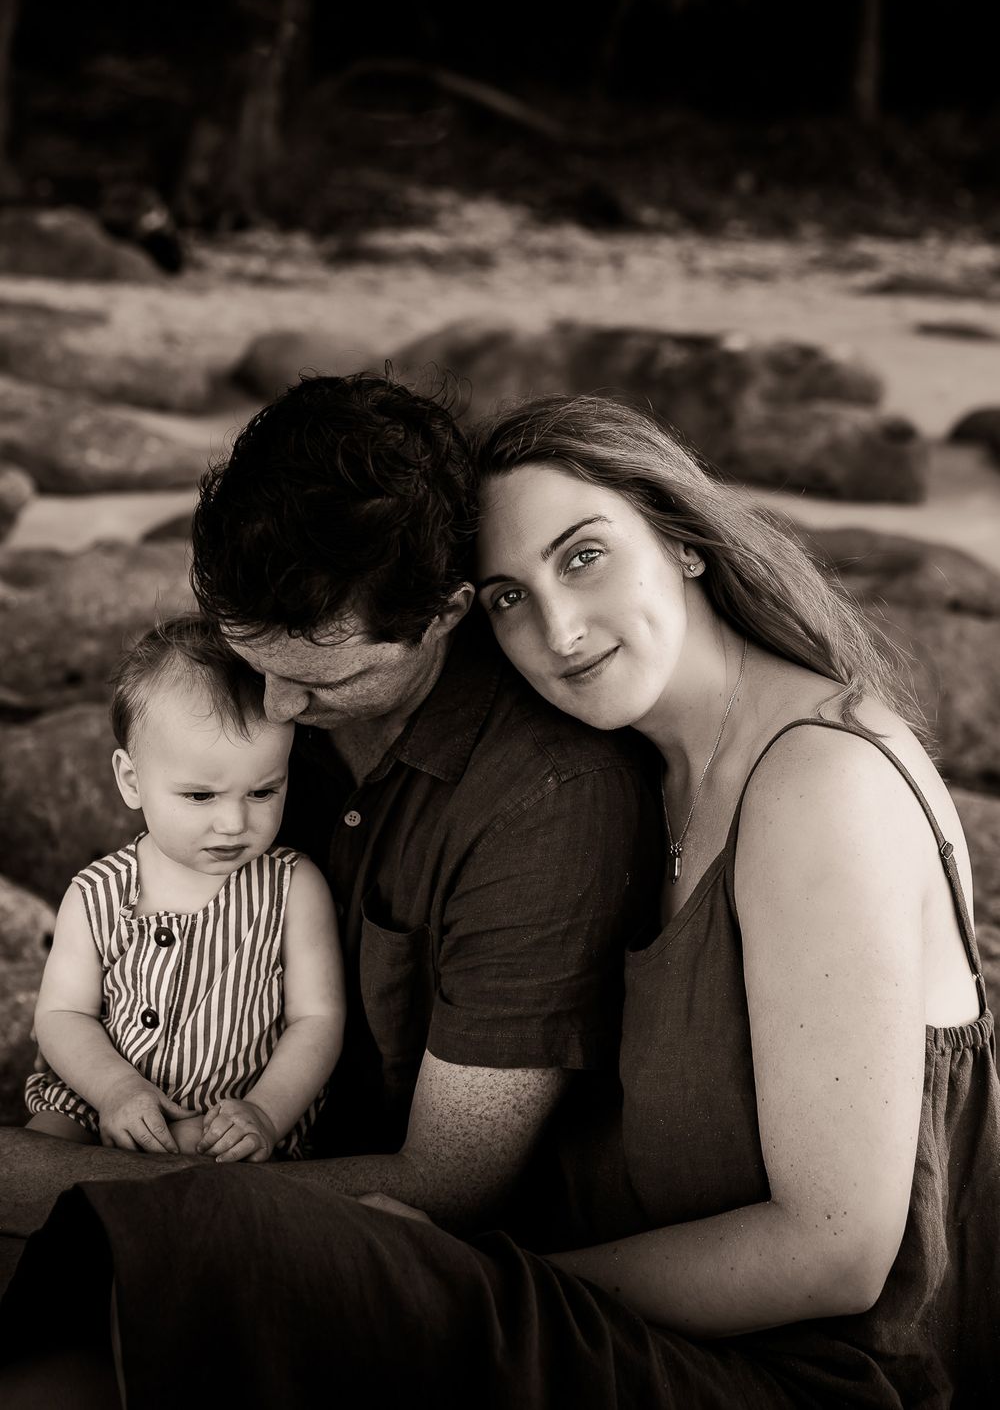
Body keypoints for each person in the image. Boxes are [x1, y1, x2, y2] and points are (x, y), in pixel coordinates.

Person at [3, 391, 995, 1409]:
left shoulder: (816, 786)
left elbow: (835, 1255)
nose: (558, 629)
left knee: (232, 1252)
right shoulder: (652, 760)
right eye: (510, 594)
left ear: (686, 540)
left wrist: (473, 1281)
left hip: (799, 1373)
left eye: (584, 556)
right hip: (606, 1301)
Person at [0, 373, 660, 1257]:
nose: (271, 708)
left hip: (398, 1252)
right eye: (250, 658)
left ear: (444, 616)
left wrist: (41, 1184)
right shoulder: (256, 681)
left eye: (321, 679)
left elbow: (456, 1180)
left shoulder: (545, 800)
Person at [24, 615, 345, 1164]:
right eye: (200, 796)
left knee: (216, 1198)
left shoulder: (293, 887)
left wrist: (266, 1111)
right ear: (132, 781)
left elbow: (316, 1019)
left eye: (264, 791)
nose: (233, 823)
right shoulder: (96, 893)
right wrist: (115, 1092)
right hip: (96, 1102)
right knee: (32, 1160)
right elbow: (61, 1016)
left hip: (233, 1117)